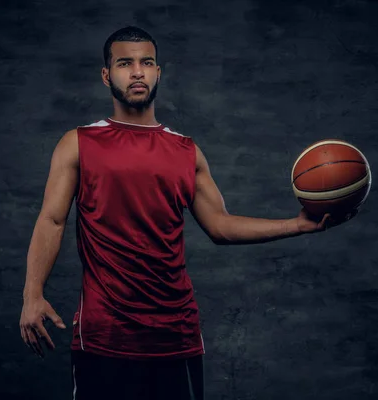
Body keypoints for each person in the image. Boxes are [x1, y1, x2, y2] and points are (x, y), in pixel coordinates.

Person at [19, 26, 349, 400]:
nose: (138, 72)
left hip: (175, 334)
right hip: (105, 335)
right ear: (107, 75)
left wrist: (298, 225)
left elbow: (221, 225)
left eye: (147, 63)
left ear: (159, 72)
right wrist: (33, 294)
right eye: (125, 63)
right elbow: (52, 219)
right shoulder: (78, 143)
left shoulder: (186, 151)